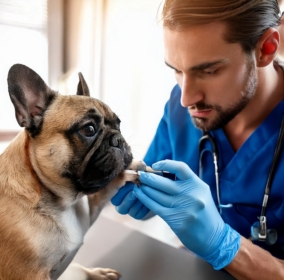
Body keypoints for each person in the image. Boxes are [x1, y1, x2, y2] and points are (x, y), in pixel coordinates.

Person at [111, 0, 284, 279]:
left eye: (209, 71)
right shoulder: (180, 110)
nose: (186, 97)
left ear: (265, 49)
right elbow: (157, 181)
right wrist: (145, 196)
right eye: (177, 70)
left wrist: (224, 246)